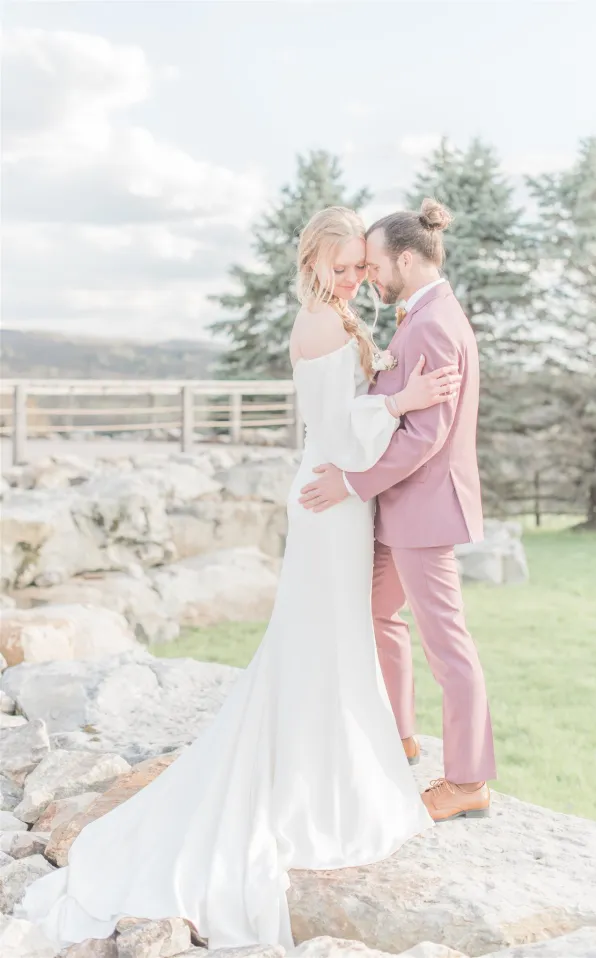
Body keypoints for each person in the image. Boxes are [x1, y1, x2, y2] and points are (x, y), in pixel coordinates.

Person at [18, 206, 461, 951]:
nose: (356, 278)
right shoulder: (320, 323)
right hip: (330, 494)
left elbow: (348, 408)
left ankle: (332, 763)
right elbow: (336, 428)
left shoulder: (338, 317)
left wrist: (383, 380)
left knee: (336, 637)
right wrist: (402, 399)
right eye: (344, 267)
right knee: (321, 636)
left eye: (361, 265)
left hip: (340, 496)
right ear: (315, 262)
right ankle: (312, 777)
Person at [299, 199, 497, 823]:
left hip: (423, 511)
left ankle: (468, 781)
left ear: (406, 259)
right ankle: (400, 737)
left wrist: (354, 483)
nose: (370, 277)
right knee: (378, 617)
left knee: (449, 646)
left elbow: (424, 437)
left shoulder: (435, 323)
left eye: (376, 263)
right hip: (400, 509)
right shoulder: (422, 315)